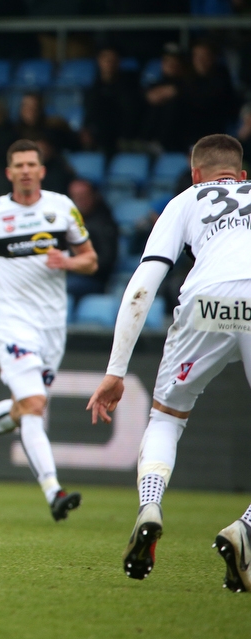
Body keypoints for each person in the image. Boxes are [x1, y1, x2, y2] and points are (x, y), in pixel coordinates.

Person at [86, 134, 251, 592]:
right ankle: (246, 528)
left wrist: (116, 372)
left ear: (196, 174)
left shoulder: (186, 199)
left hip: (206, 300)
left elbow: (143, 285)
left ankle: (150, 508)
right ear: (242, 176)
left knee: (166, 418)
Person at [0, 139, 99, 521]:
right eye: (19, 165)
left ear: (42, 170)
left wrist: (66, 261)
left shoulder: (62, 207)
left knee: (23, 407)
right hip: (11, 322)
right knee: (34, 406)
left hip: (52, 327)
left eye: (33, 164)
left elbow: (91, 261)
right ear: (9, 173)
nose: (27, 170)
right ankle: (54, 491)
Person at [66, 178, 118, 302]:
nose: (79, 201)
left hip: (93, 280)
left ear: (94, 196)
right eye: (75, 197)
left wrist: (74, 264)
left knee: (61, 287)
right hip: (68, 274)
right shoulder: (69, 220)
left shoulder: (104, 223)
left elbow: (106, 262)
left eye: (83, 196)